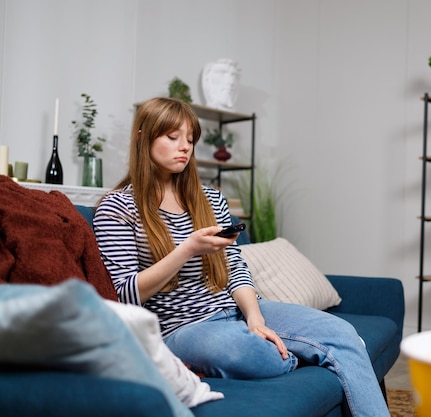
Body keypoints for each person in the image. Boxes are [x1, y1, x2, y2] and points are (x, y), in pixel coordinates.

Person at [93, 97, 391, 417]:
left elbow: (235, 266)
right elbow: (124, 294)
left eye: (191, 139)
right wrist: (187, 250)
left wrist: (254, 317)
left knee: (343, 334)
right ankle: (303, 353)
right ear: (142, 137)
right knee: (251, 351)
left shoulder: (210, 198)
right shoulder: (117, 208)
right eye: (172, 137)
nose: (185, 147)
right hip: (179, 328)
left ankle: (318, 353)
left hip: (234, 308)